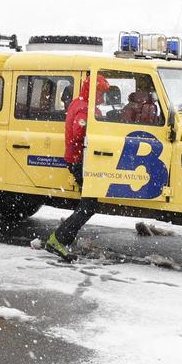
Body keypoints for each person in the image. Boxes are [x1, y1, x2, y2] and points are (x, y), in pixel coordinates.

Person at [45, 73, 109, 261]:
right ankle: (58, 240)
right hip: (80, 160)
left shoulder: (78, 103)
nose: (102, 98)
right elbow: (78, 132)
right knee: (88, 205)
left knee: (87, 204)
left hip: (77, 159)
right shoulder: (84, 108)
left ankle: (62, 239)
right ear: (94, 92)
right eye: (101, 93)